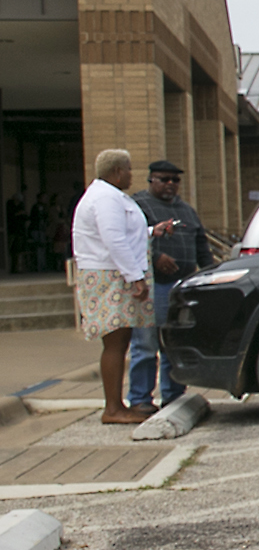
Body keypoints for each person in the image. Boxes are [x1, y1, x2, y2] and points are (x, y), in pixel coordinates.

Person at [70, 148, 173, 426]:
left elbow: (127, 233)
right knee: (115, 343)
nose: (131, 174)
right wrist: (135, 277)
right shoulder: (105, 198)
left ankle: (117, 405)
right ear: (117, 171)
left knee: (122, 341)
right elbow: (114, 239)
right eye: (128, 169)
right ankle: (113, 408)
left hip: (114, 273)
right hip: (109, 276)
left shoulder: (110, 196)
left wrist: (153, 231)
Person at [127, 159, 213, 410]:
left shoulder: (186, 210)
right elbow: (126, 242)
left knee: (173, 343)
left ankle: (174, 396)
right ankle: (140, 399)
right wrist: (155, 259)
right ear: (151, 180)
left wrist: (208, 276)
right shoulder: (137, 206)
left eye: (175, 180)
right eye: (164, 179)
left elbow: (202, 248)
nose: (170, 184)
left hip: (184, 287)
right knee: (145, 345)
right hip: (153, 287)